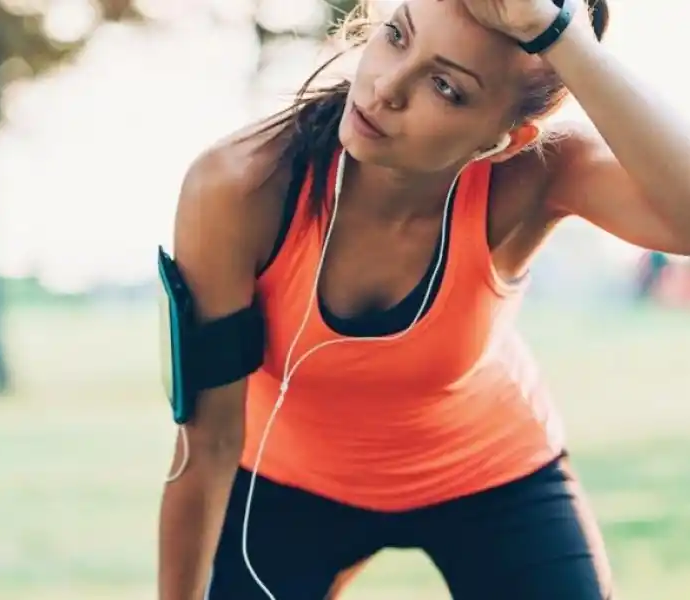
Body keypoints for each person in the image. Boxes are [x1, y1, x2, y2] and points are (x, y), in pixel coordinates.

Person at [157, 0, 690, 598]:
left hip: (488, 473)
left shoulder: (535, 174)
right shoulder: (241, 185)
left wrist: (557, 34)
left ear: (507, 139)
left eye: (445, 86)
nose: (385, 86)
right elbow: (207, 443)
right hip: (288, 483)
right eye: (396, 35)